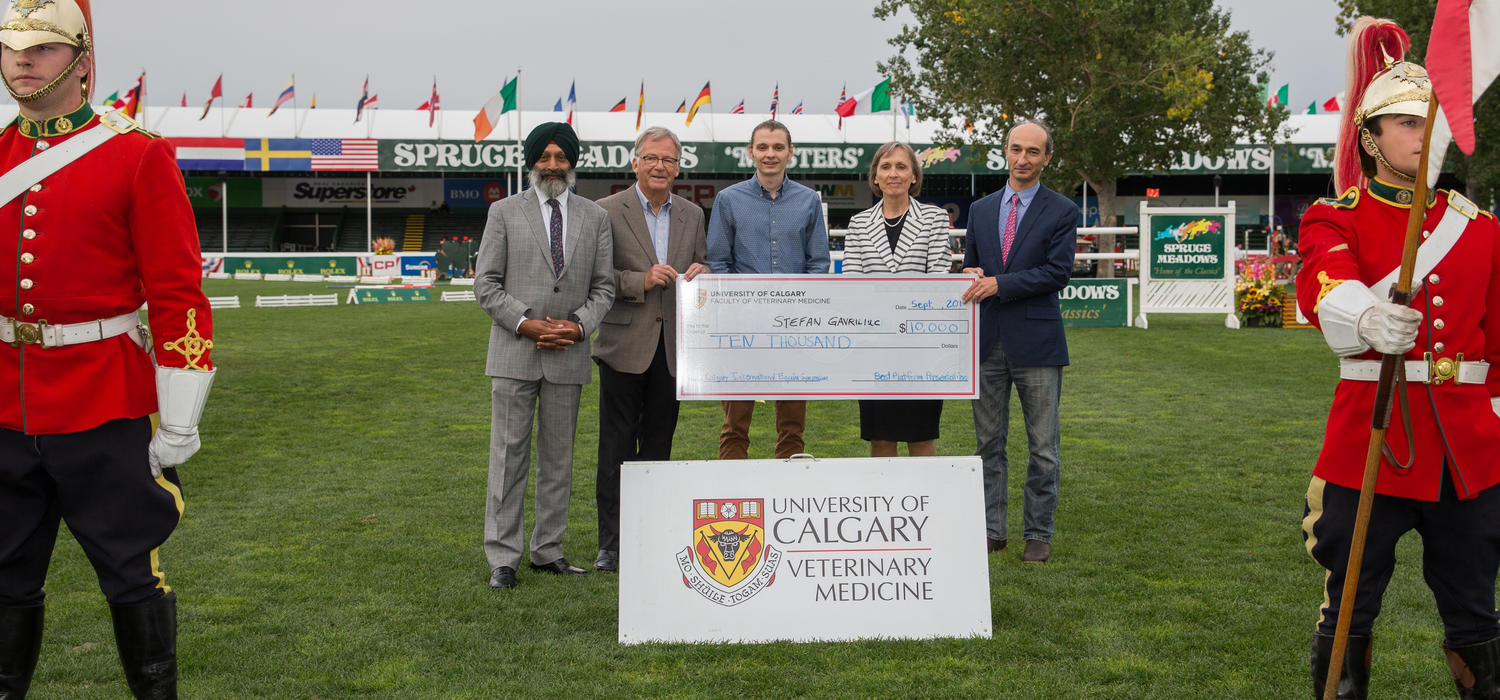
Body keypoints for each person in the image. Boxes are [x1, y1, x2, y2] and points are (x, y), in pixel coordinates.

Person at [0, 1, 216, 697]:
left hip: (105, 403)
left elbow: (178, 294)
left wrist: (180, 416)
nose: (21, 59)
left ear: (83, 63)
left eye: (42, 46)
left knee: (131, 572)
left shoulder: (137, 155)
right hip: (4, 404)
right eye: (10, 46)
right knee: (4, 574)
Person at [1296, 18, 1500, 698]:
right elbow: (1324, 281)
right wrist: (1365, 314)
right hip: (1372, 442)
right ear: (1371, 137)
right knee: (1350, 600)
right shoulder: (1336, 215)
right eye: (1409, 123)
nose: (1424, 135)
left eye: (1433, 123)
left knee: (1475, 605)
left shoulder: (1481, 229)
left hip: (1467, 447)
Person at [475, 122, 614, 590]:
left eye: (561, 157)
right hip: (515, 353)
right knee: (508, 457)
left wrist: (577, 325)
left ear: (572, 162)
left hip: (569, 356)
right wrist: (525, 322)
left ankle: (547, 550)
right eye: (545, 156)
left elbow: (605, 287)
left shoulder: (595, 217)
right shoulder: (503, 212)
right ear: (531, 160)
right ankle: (503, 558)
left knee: (559, 459)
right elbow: (486, 284)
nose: (552, 165)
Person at [591, 126, 708, 572]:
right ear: (635, 162)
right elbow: (597, 276)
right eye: (652, 158)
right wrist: (639, 280)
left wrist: (703, 269)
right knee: (616, 446)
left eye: (670, 160)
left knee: (659, 443)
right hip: (623, 343)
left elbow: (703, 262)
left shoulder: (693, 215)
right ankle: (612, 543)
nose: (661, 166)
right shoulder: (606, 211)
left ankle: (652, 532)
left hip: (673, 349)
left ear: (679, 167)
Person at [960, 120, 1077, 564]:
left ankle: (1038, 532)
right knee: (988, 445)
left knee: (1043, 448)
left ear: (1047, 158)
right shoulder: (981, 208)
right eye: (1016, 149)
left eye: (1033, 152)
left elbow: (1057, 273)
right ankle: (992, 530)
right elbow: (974, 266)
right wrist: (972, 276)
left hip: (1038, 343)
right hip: (986, 341)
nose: (1022, 159)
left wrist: (998, 284)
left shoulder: (1063, 210)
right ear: (1005, 151)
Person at [706, 120, 830, 459]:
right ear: (751, 152)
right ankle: (733, 488)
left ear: (791, 152)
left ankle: (787, 490)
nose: (770, 154)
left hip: (793, 327)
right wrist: (740, 308)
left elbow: (818, 262)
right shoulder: (728, 200)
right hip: (741, 327)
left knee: (792, 424)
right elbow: (718, 262)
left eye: (778, 147)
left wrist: (802, 309)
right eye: (763, 147)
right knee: (735, 421)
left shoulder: (808, 201)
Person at [842, 141, 952, 457]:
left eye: (902, 166)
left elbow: (939, 281)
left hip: (922, 349)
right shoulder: (858, 223)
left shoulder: (934, 218)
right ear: (875, 177)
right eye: (886, 167)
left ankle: (927, 505)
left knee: (921, 437)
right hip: (874, 350)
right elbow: (852, 286)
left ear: (914, 176)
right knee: (881, 438)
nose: (894, 173)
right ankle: (887, 506)